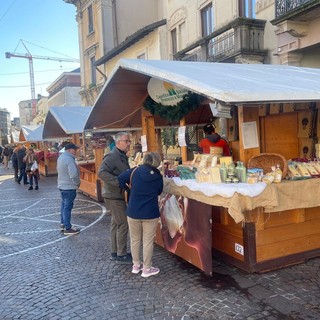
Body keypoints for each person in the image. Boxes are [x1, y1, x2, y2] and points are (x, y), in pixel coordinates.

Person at [118, 152, 163, 278]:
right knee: (148, 241)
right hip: (150, 212)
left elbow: (121, 178)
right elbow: (159, 191)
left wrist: (128, 189)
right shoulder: (158, 176)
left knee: (135, 239)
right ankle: (147, 268)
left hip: (133, 211)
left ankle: (136, 265)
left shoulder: (135, 171)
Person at [98, 132, 132, 263]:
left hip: (116, 195)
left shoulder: (121, 155)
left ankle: (115, 252)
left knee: (115, 223)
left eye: (129, 141)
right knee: (123, 223)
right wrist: (118, 182)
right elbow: (101, 172)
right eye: (126, 141)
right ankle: (121, 254)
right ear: (118, 142)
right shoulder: (112, 156)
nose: (129, 143)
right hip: (113, 195)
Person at [57, 143, 81, 235]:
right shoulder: (69, 159)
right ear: (70, 150)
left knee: (64, 206)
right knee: (67, 207)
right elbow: (73, 174)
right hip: (69, 186)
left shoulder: (61, 157)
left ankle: (63, 224)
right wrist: (77, 183)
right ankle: (68, 228)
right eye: (75, 150)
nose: (76, 152)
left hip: (62, 185)